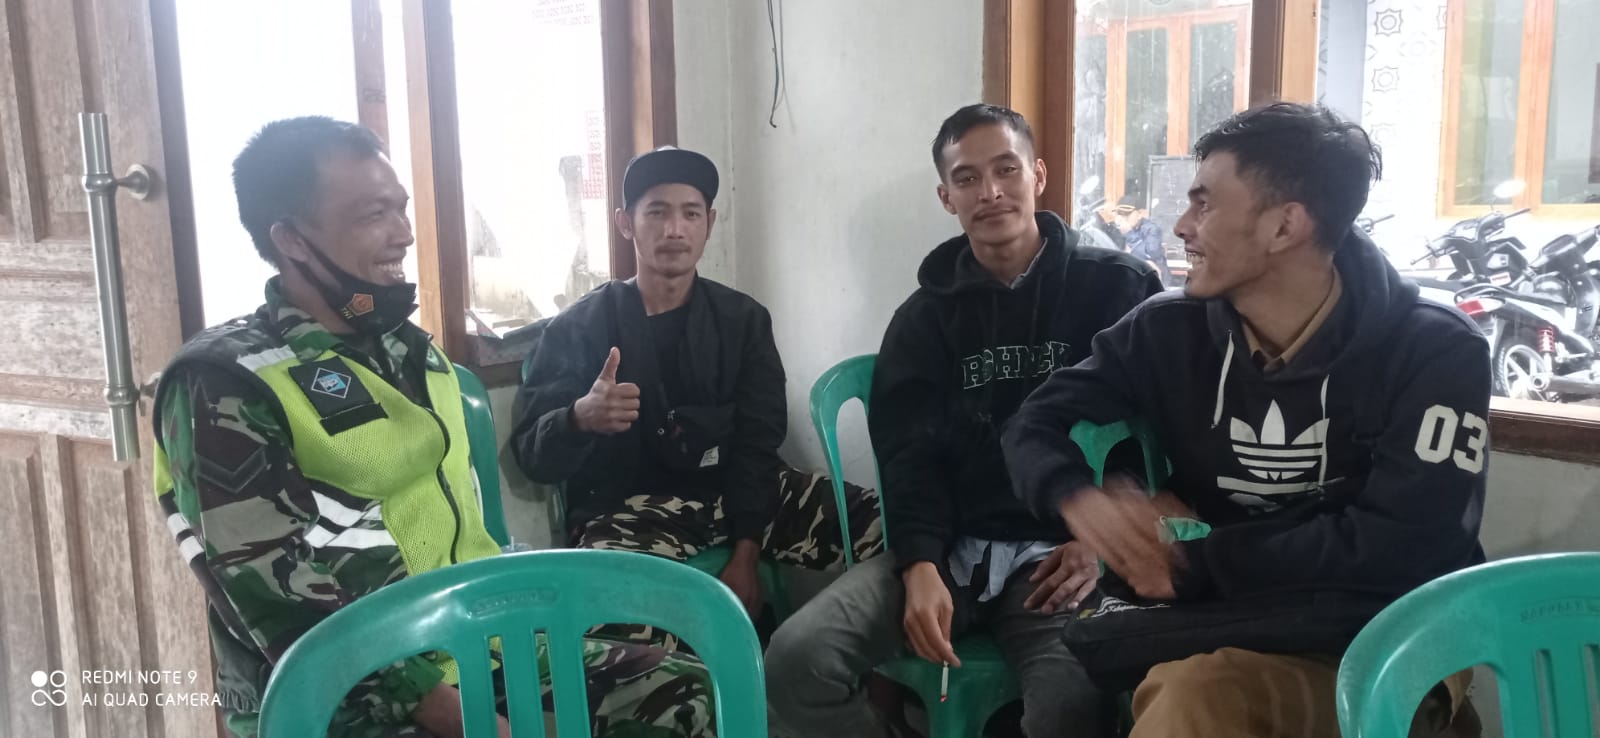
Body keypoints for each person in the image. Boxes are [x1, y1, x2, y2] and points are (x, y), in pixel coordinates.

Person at [151, 117, 712, 738]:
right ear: (293, 240)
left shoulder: (408, 350)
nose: (404, 234)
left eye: (401, 208)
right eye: (374, 215)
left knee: (690, 694)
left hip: (479, 647)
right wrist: (473, 721)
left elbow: (457, 529)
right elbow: (278, 600)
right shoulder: (226, 382)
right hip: (350, 697)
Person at [1004, 103, 1488, 738]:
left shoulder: (1435, 351)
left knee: (1192, 698)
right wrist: (1077, 496)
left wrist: (1192, 561)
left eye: (1204, 204)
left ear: (1284, 226)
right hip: (1233, 626)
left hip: (1390, 638)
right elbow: (1034, 423)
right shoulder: (1166, 332)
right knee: (1188, 688)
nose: (1181, 225)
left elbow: (1405, 545)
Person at [765, 103, 1165, 738]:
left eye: (1006, 169)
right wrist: (919, 563)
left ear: (1038, 175)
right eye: (967, 178)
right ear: (946, 197)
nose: (990, 192)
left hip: (1063, 558)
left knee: (1072, 704)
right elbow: (908, 456)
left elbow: (1148, 437)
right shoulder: (923, 320)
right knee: (795, 659)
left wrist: (1103, 538)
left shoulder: (1119, 290)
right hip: (952, 551)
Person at [511, 146, 882, 635]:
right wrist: (579, 418)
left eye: (690, 214)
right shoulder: (579, 327)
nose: (674, 229)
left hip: (740, 496)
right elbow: (532, 456)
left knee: (899, 528)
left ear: (709, 223)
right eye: (656, 212)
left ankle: (861, 670)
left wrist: (747, 550)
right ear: (625, 223)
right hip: (632, 511)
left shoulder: (742, 321)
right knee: (612, 626)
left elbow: (758, 440)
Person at [1114, 195, 1170, 284]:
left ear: (1139, 214)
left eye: (1127, 214)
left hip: (1154, 280)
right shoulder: (1117, 230)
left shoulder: (1151, 229)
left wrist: (1129, 233)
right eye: (1120, 214)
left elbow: (1151, 254)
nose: (1123, 219)